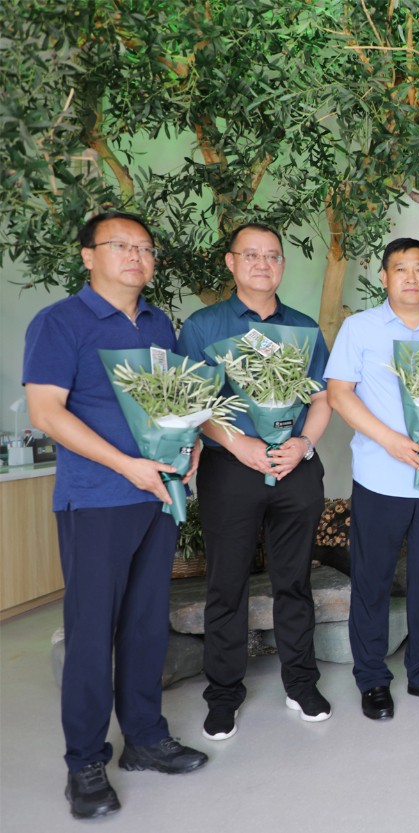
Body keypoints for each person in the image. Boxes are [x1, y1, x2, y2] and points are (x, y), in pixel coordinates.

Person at [25, 212, 208, 820]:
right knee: (90, 633)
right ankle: (84, 762)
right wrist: (127, 465)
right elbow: (46, 413)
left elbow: (178, 401)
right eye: (120, 245)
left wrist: (190, 447)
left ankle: (146, 739)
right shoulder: (59, 322)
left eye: (145, 248)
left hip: (157, 498)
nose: (136, 256)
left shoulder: (158, 324)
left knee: (146, 624)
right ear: (88, 256)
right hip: (97, 499)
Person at [176, 223, 332, 741]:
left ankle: (301, 683)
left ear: (282, 264)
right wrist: (239, 443)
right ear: (231, 262)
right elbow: (194, 402)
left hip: (294, 469)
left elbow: (322, 398)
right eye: (252, 255)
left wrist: (304, 443)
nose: (263, 264)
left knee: (295, 581)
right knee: (226, 584)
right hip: (230, 470)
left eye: (273, 256)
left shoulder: (304, 327)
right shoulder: (203, 326)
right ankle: (223, 694)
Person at [325, 238, 419, 720]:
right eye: (400, 269)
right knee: (372, 581)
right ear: (385, 278)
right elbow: (339, 394)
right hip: (380, 476)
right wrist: (389, 440)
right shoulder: (360, 327)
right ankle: (372, 679)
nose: (411, 277)